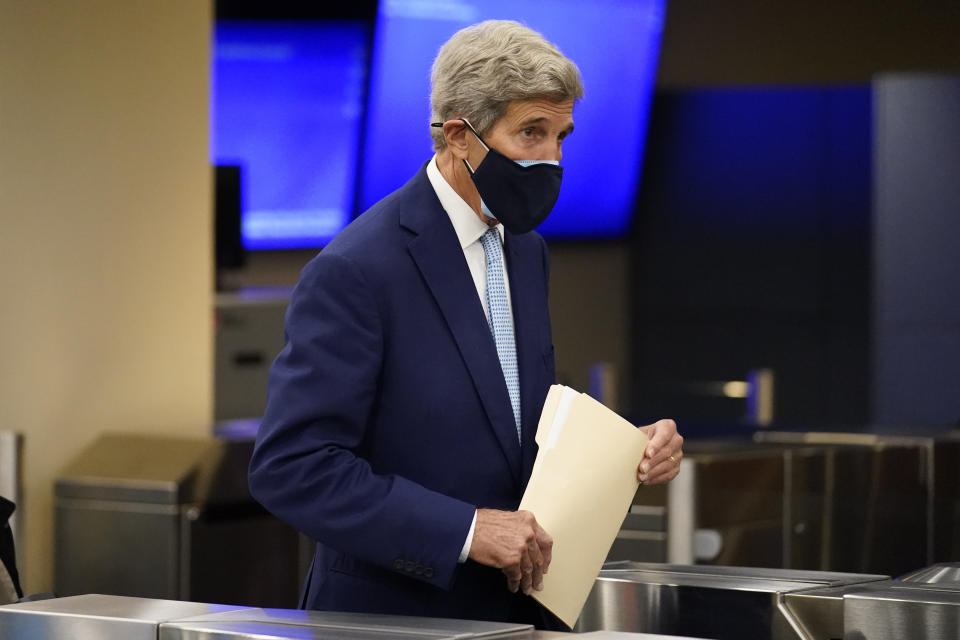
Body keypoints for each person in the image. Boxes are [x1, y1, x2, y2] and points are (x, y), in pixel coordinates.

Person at [248, 19, 684, 629]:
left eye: (561, 136)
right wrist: (467, 530)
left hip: (514, 612)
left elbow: (509, 426)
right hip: (396, 617)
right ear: (459, 136)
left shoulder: (525, 251)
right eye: (532, 132)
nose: (551, 158)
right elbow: (293, 467)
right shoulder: (358, 268)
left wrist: (623, 454)